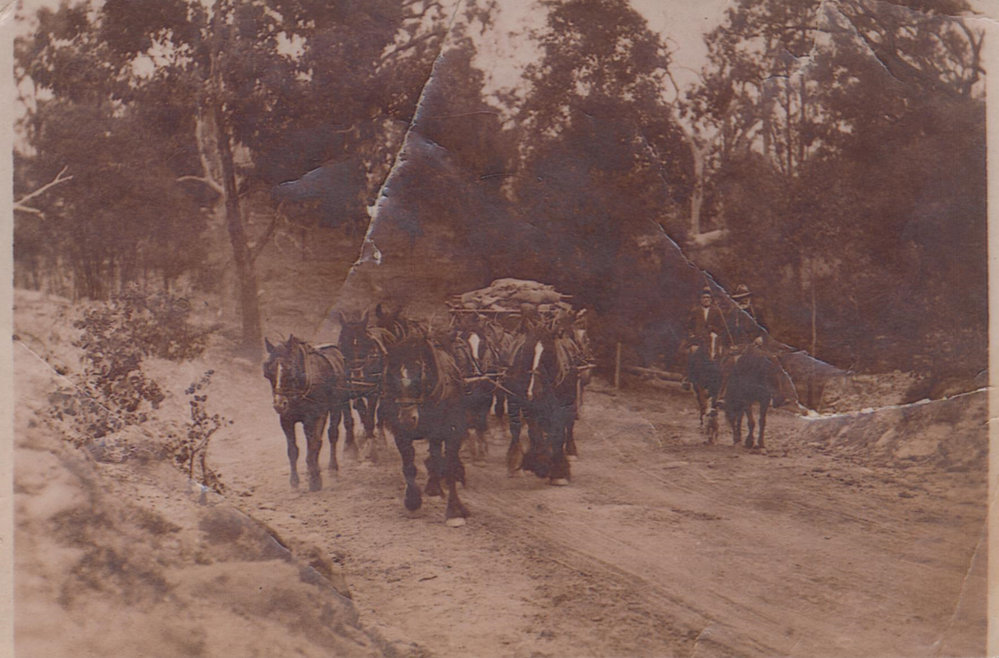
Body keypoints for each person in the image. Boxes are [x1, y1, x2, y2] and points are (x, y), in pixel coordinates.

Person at [683, 287, 727, 391]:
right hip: (698, 340)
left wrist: (713, 329)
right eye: (704, 297)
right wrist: (692, 335)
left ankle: (716, 381)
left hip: (711, 338)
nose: (706, 300)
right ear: (700, 299)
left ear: (711, 299)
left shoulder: (716, 311)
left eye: (708, 298)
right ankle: (688, 378)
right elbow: (688, 326)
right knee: (693, 352)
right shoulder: (695, 311)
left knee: (719, 356)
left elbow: (722, 327)